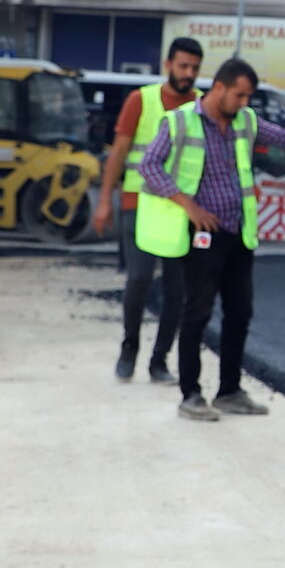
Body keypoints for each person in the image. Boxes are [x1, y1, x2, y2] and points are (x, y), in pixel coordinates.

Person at [137, 59, 285, 421]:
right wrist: (189, 206)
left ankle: (229, 391)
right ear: (219, 88)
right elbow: (148, 166)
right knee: (197, 312)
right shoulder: (180, 121)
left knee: (240, 311)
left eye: (248, 96)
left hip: (238, 232)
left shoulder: (245, 121)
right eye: (239, 94)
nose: (244, 102)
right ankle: (191, 395)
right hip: (203, 234)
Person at [93, 37, 201, 383]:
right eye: (183, 66)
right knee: (138, 279)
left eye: (195, 68)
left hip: (181, 211)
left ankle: (159, 360)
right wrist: (104, 202)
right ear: (168, 65)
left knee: (176, 289)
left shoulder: (201, 106)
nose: (188, 74)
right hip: (138, 204)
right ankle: (129, 349)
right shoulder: (141, 100)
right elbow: (119, 153)